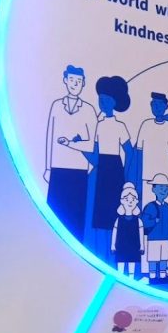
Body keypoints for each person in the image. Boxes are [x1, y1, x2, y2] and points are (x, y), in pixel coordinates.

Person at [63, 75, 131, 261]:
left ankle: (112, 254)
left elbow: (130, 151)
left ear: (115, 102)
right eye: (101, 99)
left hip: (115, 172)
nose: (103, 103)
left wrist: (127, 175)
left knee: (113, 214)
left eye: (107, 99)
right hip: (101, 172)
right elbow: (95, 157)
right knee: (98, 216)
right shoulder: (98, 126)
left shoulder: (120, 126)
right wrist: (77, 145)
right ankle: (100, 253)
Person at [45, 64, 97, 242]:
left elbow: (91, 145)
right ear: (65, 80)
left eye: (79, 81)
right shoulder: (56, 106)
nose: (75, 84)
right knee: (53, 216)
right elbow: (50, 137)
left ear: (84, 83)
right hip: (58, 169)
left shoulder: (89, 110)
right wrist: (47, 167)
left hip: (79, 171)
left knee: (75, 218)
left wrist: (70, 144)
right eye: (72, 80)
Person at [136, 92, 168, 205]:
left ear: (166, 106)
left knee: (166, 208)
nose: (157, 107)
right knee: (147, 208)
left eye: (160, 104)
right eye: (154, 104)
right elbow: (139, 155)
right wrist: (138, 182)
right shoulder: (145, 125)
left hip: (167, 180)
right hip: (147, 178)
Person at [141, 173, 168, 282]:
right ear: (153, 189)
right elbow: (144, 221)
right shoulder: (150, 206)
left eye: (166, 188)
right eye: (161, 187)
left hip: (165, 238)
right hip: (153, 238)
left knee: (164, 258)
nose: (164, 190)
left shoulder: (167, 207)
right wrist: (154, 221)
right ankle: (153, 277)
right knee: (153, 258)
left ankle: (163, 276)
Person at [111, 182, 144, 278]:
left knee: (131, 263)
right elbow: (115, 232)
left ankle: (131, 279)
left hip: (134, 245)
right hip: (121, 245)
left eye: (133, 199)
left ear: (136, 201)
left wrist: (142, 245)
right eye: (127, 199)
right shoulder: (119, 220)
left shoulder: (138, 220)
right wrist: (113, 245)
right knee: (120, 263)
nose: (130, 202)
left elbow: (141, 233)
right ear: (122, 201)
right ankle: (120, 278)